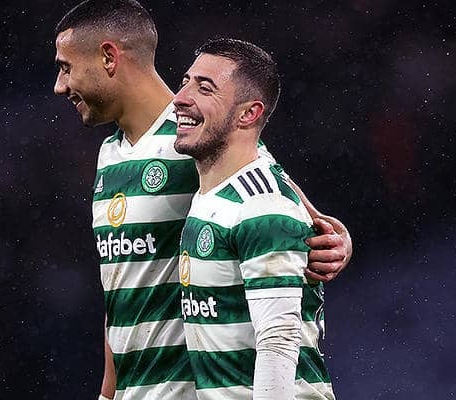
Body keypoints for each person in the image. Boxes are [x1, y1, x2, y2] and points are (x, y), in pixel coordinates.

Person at [52, 1, 351, 399]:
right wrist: (109, 393)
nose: (59, 85)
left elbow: (273, 199)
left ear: (109, 56)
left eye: (66, 67)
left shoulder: (195, 137)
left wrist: (336, 239)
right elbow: (121, 289)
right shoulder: (110, 154)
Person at [173, 37, 336, 400]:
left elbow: (278, 341)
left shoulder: (261, 207)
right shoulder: (215, 193)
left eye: (204, 88)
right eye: (185, 82)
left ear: (248, 114)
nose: (180, 97)